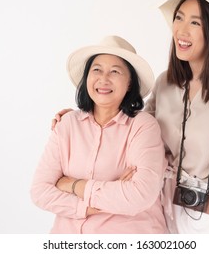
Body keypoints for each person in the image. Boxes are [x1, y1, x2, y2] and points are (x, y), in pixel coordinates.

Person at [52, 0, 209, 234]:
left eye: (195, 23)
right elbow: (132, 124)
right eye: (179, 18)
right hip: (162, 200)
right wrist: (82, 117)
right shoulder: (166, 82)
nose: (181, 29)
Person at [31, 35, 168, 234]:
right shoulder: (68, 124)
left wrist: (73, 185)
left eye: (115, 71)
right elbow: (40, 191)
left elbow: (140, 195)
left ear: (129, 83)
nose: (104, 79)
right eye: (97, 69)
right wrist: (86, 207)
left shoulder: (143, 126)